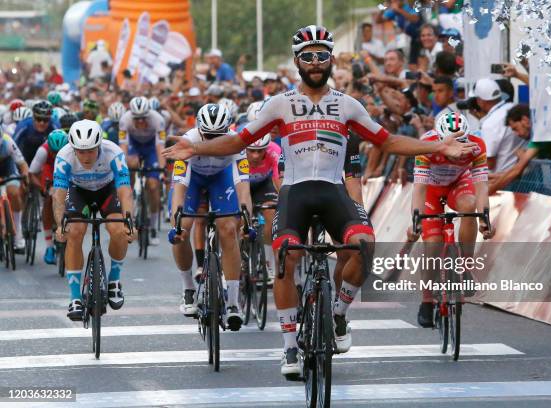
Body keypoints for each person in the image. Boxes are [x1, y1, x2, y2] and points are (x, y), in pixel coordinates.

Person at [162, 25, 478, 378]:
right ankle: (289, 349)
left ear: (330, 60)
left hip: (332, 191)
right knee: (286, 255)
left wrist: (439, 146)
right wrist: (198, 147)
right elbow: (238, 141)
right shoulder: (280, 103)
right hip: (295, 192)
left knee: (363, 246)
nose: (315, 62)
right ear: (298, 61)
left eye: (322, 55)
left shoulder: (347, 105)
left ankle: (339, 315)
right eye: (308, 56)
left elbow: (388, 142)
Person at [166, 103, 251, 331]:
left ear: (228, 130)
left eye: (218, 136)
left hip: (221, 179)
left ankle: (233, 303)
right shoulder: (188, 139)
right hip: (194, 180)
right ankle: (188, 290)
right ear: (199, 129)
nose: (213, 139)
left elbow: (243, 184)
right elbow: (180, 186)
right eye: (208, 135)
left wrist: (246, 215)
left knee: (228, 228)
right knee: (182, 228)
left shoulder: (236, 142)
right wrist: (177, 220)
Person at [410, 112, 494, 327]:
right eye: (452, 142)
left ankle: (465, 267)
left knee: (469, 205)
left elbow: (482, 186)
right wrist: (416, 220)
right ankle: (427, 301)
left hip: (458, 184)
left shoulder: (476, 146)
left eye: (462, 141)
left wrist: (485, 218)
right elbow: (419, 188)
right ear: (440, 139)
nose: (458, 149)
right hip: (430, 189)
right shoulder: (427, 145)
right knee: (432, 245)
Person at [53, 120, 133, 321]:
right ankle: (74, 298)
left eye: (90, 151)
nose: (86, 156)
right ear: (73, 148)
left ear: (99, 145)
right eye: (81, 151)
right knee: (74, 231)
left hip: (108, 190)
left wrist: (129, 221)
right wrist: (59, 225)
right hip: (78, 192)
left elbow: (124, 191)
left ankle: (114, 281)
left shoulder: (113, 152)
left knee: (119, 230)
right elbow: (59, 195)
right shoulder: (64, 157)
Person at [119, 96, 167, 245]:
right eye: (137, 118)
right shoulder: (124, 120)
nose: (140, 121)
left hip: (151, 148)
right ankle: (131, 206)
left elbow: (160, 147)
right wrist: (124, 168)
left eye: (143, 118)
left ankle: (152, 227)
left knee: (153, 186)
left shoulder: (158, 120)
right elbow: (123, 148)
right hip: (134, 145)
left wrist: (161, 169)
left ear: (149, 114)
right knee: (129, 168)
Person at [28, 129, 69, 264]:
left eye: (60, 152)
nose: (57, 155)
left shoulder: (72, 150)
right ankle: (49, 247)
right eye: (54, 152)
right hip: (49, 172)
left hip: (67, 171)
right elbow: (32, 173)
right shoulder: (43, 151)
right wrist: (42, 189)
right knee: (49, 199)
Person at [246, 133, 281, 280]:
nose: (255, 156)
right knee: (240, 219)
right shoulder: (238, 152)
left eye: (260, 151)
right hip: (242, 183)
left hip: (263, 185)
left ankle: (269, 262)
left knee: (272, 216)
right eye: (252, 151)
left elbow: (278, 180)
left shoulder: (274, 151)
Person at [472, 78, 525, 173]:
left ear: (480, 101)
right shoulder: (515, 108)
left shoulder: (490, 123)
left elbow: (489, 163)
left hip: (504, 179)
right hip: (525, 174)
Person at [0, 133, 29, 252]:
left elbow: (22, 164)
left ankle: (18, 236)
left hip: (8, 169)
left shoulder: (8, 141)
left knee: (14, 193)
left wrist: (25, 177)